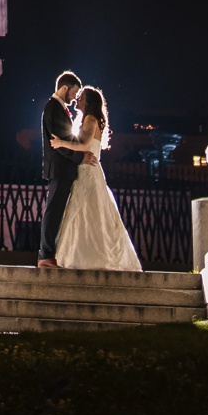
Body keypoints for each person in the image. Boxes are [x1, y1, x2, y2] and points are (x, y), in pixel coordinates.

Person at [49, 84, 142, 271]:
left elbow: (84, 144)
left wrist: (60, 143)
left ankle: (89, 256)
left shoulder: (90, 119)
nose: (78, 99)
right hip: (86, 170)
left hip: (88, 172)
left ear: (88, 102)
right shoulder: (88, 119)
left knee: (86, 210)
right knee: (86, 211)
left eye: (81, 97)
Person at [37, 70, 88, 268]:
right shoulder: (53, 108)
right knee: (53, 211)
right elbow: (61, 142)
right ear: (65, 88)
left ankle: (48, 253)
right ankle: (45, 255)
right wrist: (81, 156)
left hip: (62, 169)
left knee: (57, 211)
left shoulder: (57, 108)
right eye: (73, 92)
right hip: (59, 169)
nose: (75, 97)